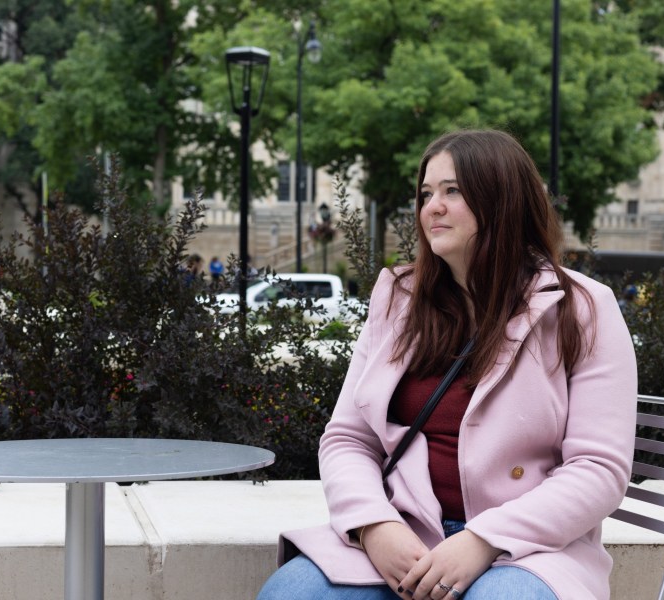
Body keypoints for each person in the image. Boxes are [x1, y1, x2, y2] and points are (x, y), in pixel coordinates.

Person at [257, 129, 637, 600]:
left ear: (503, 201)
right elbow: (349, 438)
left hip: (528, 550)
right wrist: (374, 525)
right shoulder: (399, 300)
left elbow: (598, 469)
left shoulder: (583, 308)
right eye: (426, 193)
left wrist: (482, 540)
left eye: (452, 191)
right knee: (292, 594)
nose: (431, 206)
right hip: (406, 534)